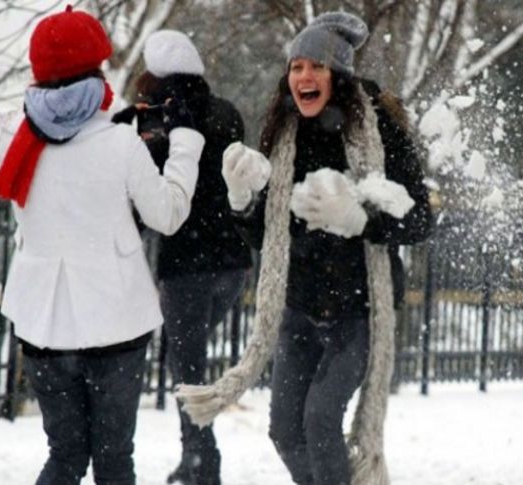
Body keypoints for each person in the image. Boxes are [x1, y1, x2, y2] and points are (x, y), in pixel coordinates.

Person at [177, 11, 432, 485]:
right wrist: (240, 200)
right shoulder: (284, 134)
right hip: (299, 307)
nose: (305, 76)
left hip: (359, 312)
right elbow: (267, 237)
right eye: (297, 67)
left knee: (319, 420)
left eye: (316, 65)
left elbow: (420, 220)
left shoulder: (380, 134)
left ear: (338, 75)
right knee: (284, 429)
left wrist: (361, 221)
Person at [0, 7, 204, 485]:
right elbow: (167, 215)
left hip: (43, 323)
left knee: (64, 457)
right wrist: (185, 142)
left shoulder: (10, 137)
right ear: (96, 69)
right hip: (116, 324)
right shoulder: (119, 142)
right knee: (113, 461)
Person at [112, 29, 249, 485]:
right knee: (189, 358)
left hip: (186, 264)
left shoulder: (160, 120)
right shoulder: (227, 112)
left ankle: (201, 460)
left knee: (186, 364)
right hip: (234, 261)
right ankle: (197, 453)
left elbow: (151, 194)